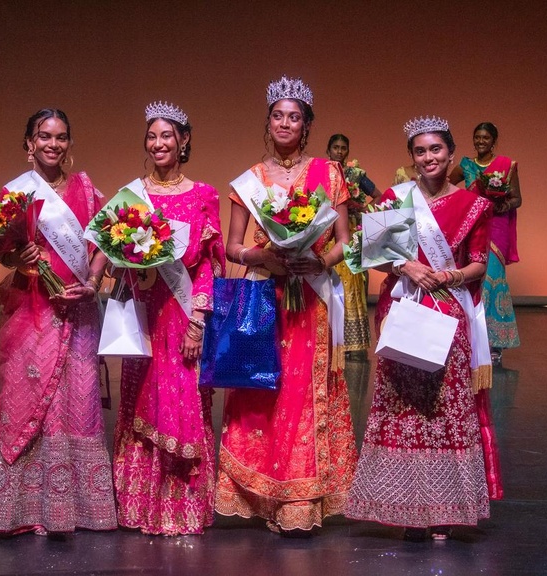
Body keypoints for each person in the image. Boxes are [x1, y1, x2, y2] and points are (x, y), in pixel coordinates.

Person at [215, 76, 357, 534]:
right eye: (278, 115)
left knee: (303, 392)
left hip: (310, 297)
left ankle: (300, 501)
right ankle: (261, 497)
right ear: (268, 121)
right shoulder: (250, 180)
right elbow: (232, 246)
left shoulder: (329, 174)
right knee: (263, 391)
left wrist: (318, 262)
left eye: (294, 117)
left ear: (306, 125)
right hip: (264, 297)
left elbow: (345, 241)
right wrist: (263, 257)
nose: (284, 123)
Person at [345, 116, 498, 541]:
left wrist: (448, 276)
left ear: (450, 154)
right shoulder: (395, 198)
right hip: (403, 309)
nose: (428, 157)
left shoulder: (472, 204)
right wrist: (406, 266)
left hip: (449, 310)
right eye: (420, 151)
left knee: (444, 409)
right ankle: (406, 506)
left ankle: (444, 509)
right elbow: (373, 254)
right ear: (411, 157)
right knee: (403, 409)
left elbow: (479, 263)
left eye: (436, 149)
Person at [0, 109, 117, 535]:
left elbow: (106, 240)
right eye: (44, 136)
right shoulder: (16, 194)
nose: (52, 145)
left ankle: (82, 510)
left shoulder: (86, 190)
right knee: (30, 399)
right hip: (34, 310)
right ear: (29, 143)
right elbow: (3, 253)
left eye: (60, 137)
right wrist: (17, 256)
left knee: (78, 404)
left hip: (78, 312)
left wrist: (93, 280)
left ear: (69, 144)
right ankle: (27, 510)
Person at [112, 102, 225, 536]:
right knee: (141, 401)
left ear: (183, 140)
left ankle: (181, 506)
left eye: (166, 136)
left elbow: (208, 265)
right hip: (145, 313)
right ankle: (140, 507)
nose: (158, 144)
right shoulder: (132, 195)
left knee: (183, 403)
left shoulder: (204, 194)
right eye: (151, 136)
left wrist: (198, 320)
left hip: (182, 316)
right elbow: (118, 258)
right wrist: (127, 264)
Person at [449, 122, 521, 363]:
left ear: (493, 141)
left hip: (497, 227)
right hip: (472, 226)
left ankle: (494, 342)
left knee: (492, 279)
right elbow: (447, 186)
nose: (481, 141)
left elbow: (517, 199)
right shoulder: (466, 165)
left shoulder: (506, 165)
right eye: (477, 137)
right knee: (471, 279)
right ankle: (470, 336)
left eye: (486, 138)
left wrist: (502, 204)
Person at [326, 133, 381, 354]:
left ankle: (351, 342)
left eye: (343, 148)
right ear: (328, 150)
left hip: (349, 230)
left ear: (348, 151)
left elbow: (378, 195)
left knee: (352, 283)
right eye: (336, 147)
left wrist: (361, 210)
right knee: (328, 281)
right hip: (327, 232)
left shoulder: (356, 174)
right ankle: (328, 337)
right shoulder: (322, 172)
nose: (339, 151)